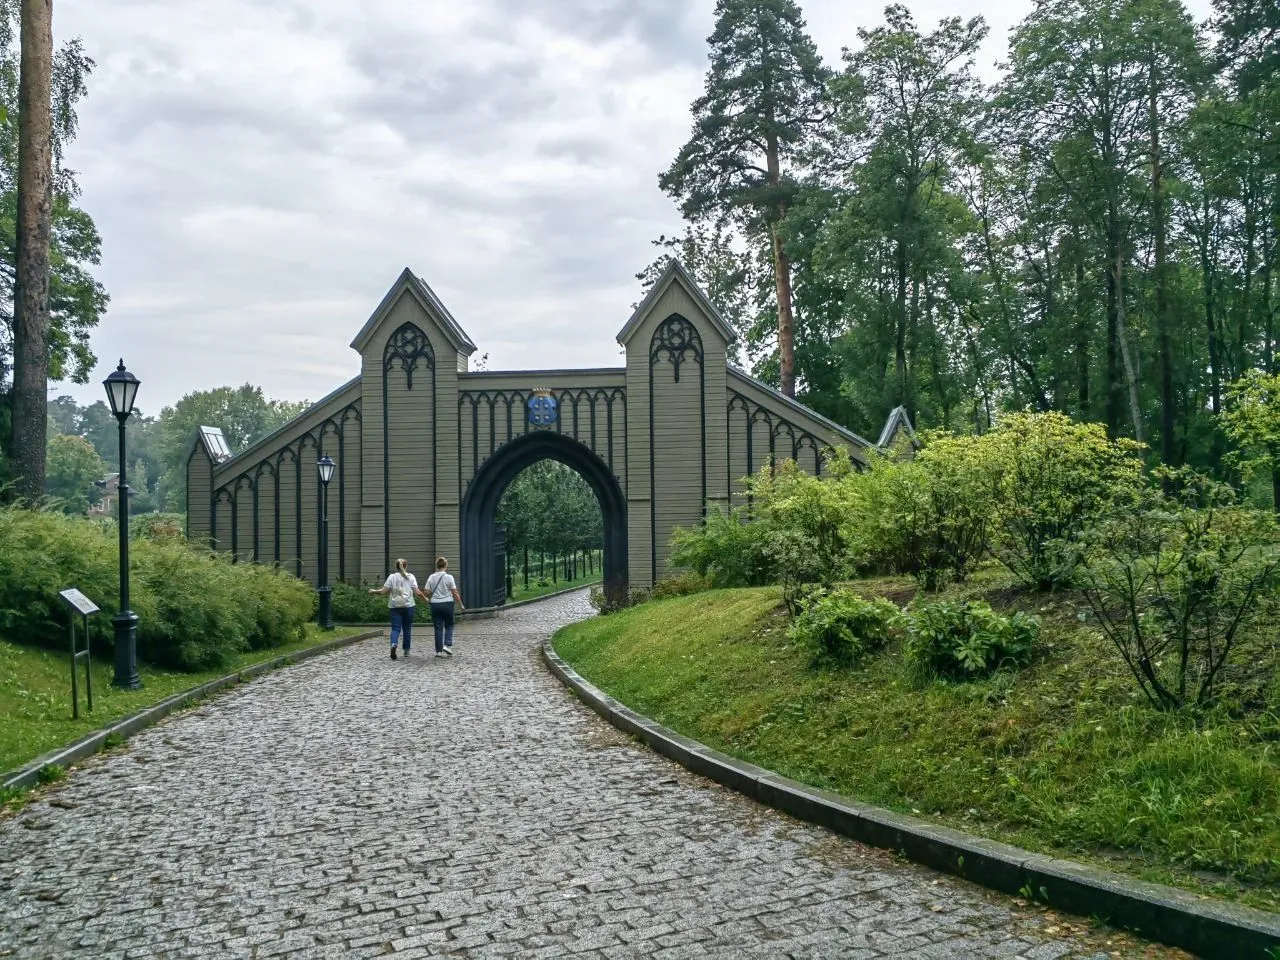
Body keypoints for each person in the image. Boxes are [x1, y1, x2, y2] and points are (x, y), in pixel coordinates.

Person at [368, 559, 428, 660]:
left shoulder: (392, 577)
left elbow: (383, 591)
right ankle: (406, 651)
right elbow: (417, 592)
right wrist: (424, 598)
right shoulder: (410, 577)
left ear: (396, 567)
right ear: (406, 566)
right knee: (407, 628)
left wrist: (374, 591)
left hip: (395, 607)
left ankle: (394, 644)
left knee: (395, 629)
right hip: (408, 606)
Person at [425, 557, 464, 658]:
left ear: (437, 565)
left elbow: (426, 591)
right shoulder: (449, 577)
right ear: (446, 565)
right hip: (447, 603)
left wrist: (432, 594)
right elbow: (454, 592)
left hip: (435, 604)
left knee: (438, 627)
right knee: (449, 625)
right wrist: (461, 604)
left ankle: (438, 651)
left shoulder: (431, 577)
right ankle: (447, 645)